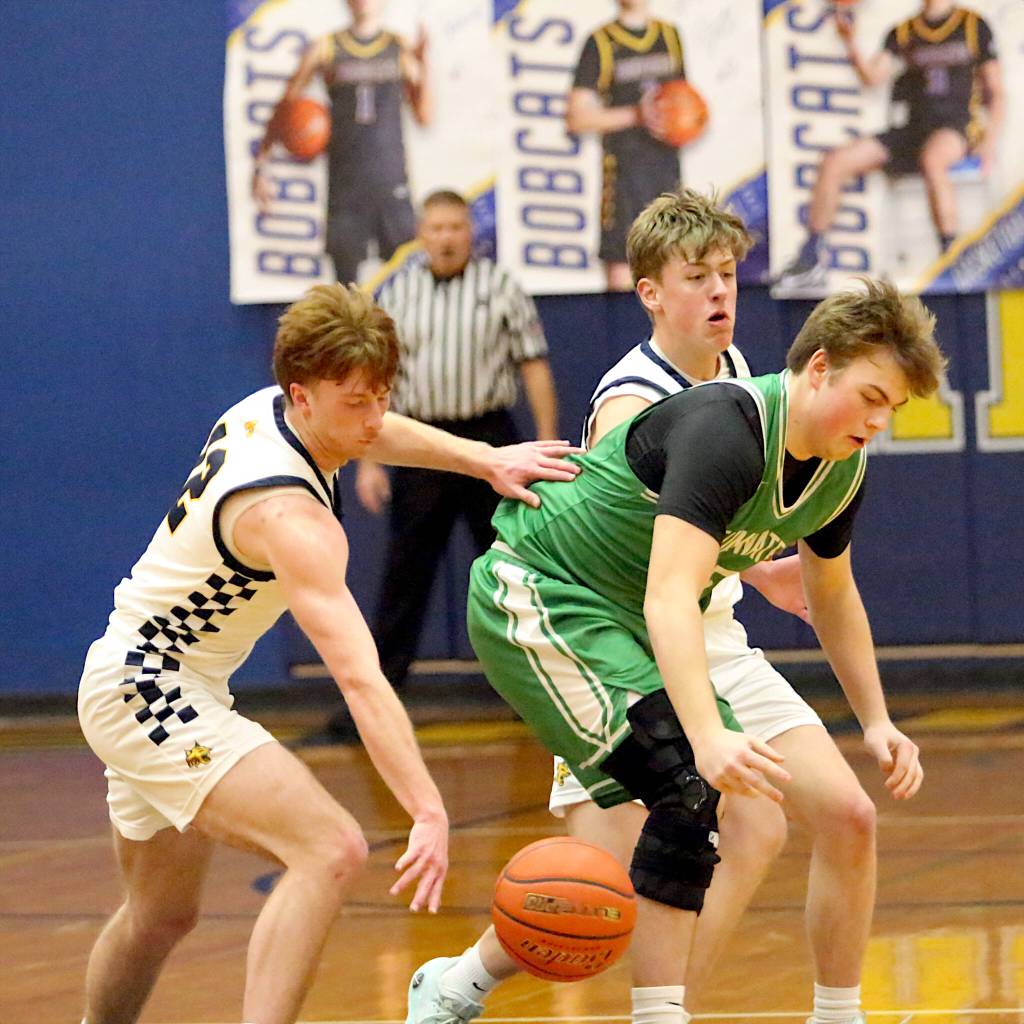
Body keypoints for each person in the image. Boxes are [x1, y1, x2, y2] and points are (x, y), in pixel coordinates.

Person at [404, 275, 944, 1024]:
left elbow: (833, 595)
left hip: (669, 625)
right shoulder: (725, 426)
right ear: (819, 367)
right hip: (551, 598)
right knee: (669, 808)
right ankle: (524, 990)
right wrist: (708, 730)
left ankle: (820, 1013)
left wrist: (877, 719)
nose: (880, 420)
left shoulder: (840, 465)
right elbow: (666, 596)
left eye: (895, 409)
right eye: (872, 397)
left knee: (794, 817)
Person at [76, 282, 580, 1024]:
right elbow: (359, 677)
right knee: (331, 849)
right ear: (302, 394)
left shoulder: (268, 408)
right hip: (149, 690)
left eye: (382, 395)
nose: (374, 418)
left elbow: (377, 430)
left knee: (159, 916)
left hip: (148, 677)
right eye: (356, 402)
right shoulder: (291, 516)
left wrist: (483, 459)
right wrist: (425, 806)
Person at [552, 187, 921, 1024]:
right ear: (651, 292)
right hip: (617, 634)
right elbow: (631, 553)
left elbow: (741, 535)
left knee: (834, 816)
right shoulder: (631, 398)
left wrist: (757, 575)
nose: (720, 291)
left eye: (728, 273)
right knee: (593, 882)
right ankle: (472, 977)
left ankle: (796, 1011)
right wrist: (755, 571)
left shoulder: (745, 380)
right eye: (697, 276)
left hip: (707, 630)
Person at [350, 189, 558, 698]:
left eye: (455, 227)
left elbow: (534, 365)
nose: (446, 237)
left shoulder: (502, 286)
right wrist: (370, 460)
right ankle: (377, 701)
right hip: (421, 442)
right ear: (421, 234)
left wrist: (547, 443)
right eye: (436, 228)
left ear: (471, 233)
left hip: (489, 437)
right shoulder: (397, 293)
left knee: (513, 570)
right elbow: (381, 380)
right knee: (404, 574)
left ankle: (536, 694)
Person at [777, 0, 1004, 292]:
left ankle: (951, 258)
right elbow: (873, 77)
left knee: (933, 159)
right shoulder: (904, 30)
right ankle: (810, 258)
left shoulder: (973, 25)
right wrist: (850, 43)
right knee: (836, 161)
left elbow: (996, 92)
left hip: (957, 126)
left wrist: (989, 142)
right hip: (913, 127)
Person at [253, 0, 430, 285]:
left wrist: (425, 63)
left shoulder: (399, 46)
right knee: (344, 289)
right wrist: (262, 163)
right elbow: (286, 104)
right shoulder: (326, 47)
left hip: (390, 180)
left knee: (408, 282)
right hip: (346, 184)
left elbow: (424, 115)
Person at [566, 0, 690, 291]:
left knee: (673, 276)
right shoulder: (600, 41)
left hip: (666, 175)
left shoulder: (669, 35)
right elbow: (576, 117)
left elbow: (685, 101)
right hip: (623, 179)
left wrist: (689, 119)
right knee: (623, 281)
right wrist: (637, 114)